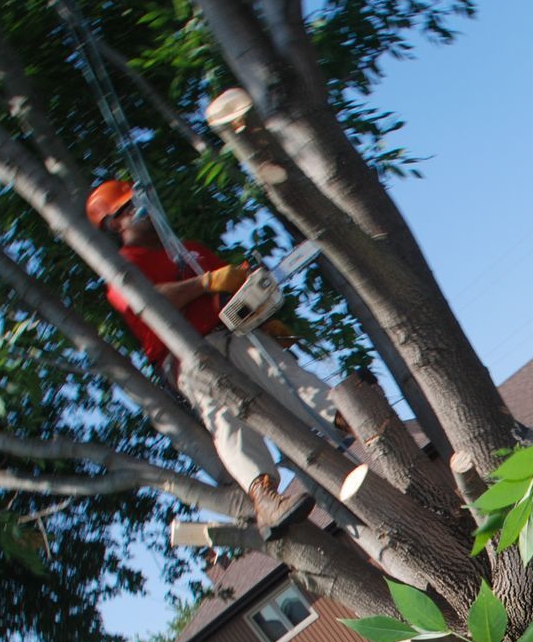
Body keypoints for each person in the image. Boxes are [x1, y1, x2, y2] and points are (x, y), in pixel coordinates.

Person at [87, 179, 345, 539]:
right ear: (116, 223)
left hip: (236, 333)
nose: (145, 211)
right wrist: (206, 283)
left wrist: (265, 315)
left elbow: (234, 290)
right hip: (188, 357)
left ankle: (349, 420)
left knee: (289, 376)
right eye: (132, 207)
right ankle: (265, 497)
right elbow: (150, 301)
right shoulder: (123, 269)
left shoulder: (187, 249)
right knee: (227, 420)